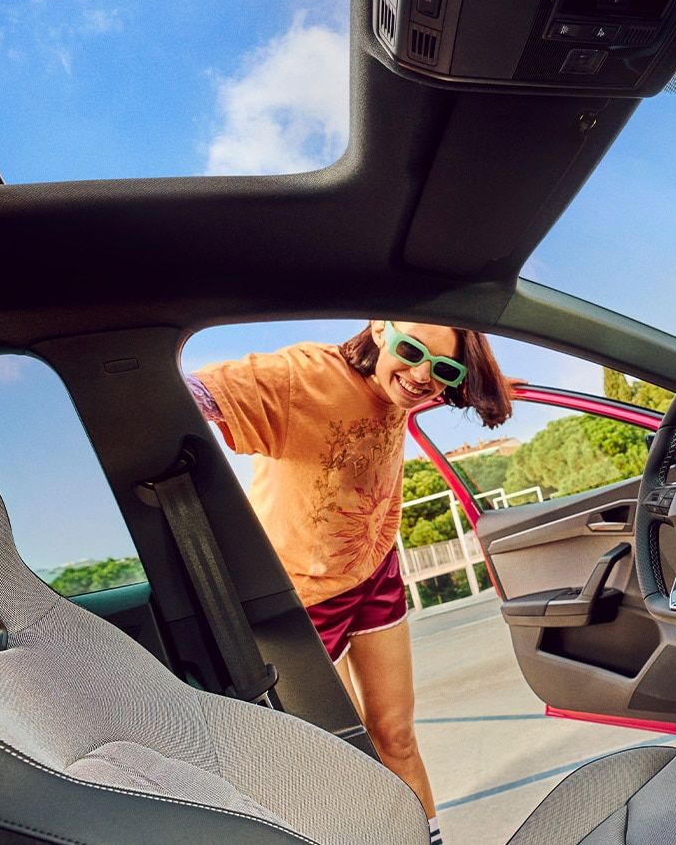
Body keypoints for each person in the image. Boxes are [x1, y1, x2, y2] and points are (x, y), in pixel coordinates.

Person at [186, 321, 512, 844]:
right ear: (380, 328)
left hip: (375, 573)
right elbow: (189, 394)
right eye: (412, 351)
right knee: (348, 759)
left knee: (397, 736)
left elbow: (441, 379)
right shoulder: (302, 376)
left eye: (444, 370)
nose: (422, 376)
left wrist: (489, 385)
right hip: (305, 598)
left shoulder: (403, 385)